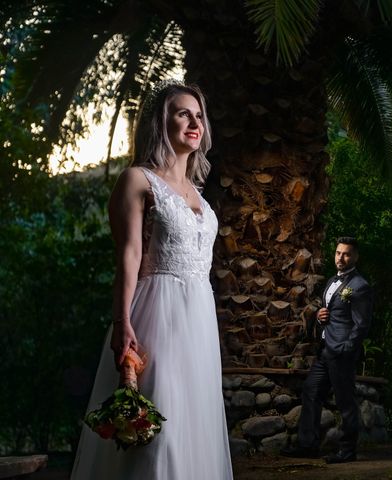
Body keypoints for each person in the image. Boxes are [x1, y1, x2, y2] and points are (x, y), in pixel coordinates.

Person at [70, 81, 233, 479]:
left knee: (194, 424)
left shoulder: (199, 195)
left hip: (198, 318)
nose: (194, 122)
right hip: (157, 313)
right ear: (162, 122)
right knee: (157, 429)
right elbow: (128, 255)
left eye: (199, 115)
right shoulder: (137, 180)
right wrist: (123, 321)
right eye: (183, 113)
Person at [281, 237, 373, 464]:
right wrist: (322, 318)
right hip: (325, 349)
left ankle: (347, 451)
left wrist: (347, 347)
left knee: (345, 401)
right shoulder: (332, 280)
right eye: (338, 253)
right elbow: (334, 315)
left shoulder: (360, 286)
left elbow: (361, 324)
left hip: (341, 351)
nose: (341, 258)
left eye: (347, 254)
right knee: (311, 391)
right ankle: (308, 445)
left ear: (355, 257)